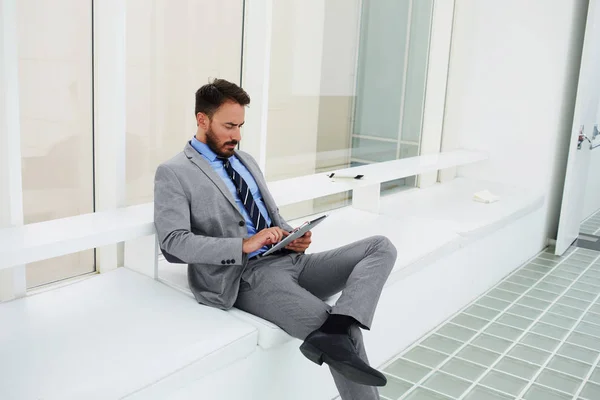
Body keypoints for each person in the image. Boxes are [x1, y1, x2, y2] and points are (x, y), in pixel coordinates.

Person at [154, 79, 397, 400]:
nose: (237, 136)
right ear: (202, 119)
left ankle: (334, 330)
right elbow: (173, 243)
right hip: (247, 276)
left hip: (290, 259)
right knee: (346, 336)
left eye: (240, 126)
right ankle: (336, 335)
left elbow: (270, 216)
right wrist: (243, 246)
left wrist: (292, 235)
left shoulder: (246, 160)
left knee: (380, 247)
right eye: (229, 126)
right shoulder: (174, 172)